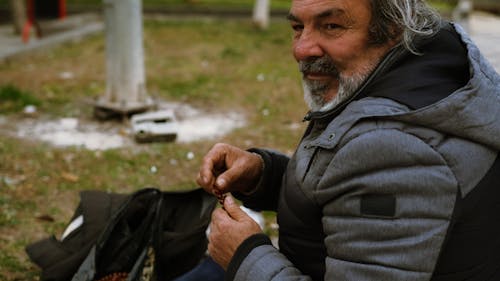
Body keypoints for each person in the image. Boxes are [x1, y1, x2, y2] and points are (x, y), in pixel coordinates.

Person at [196, 0, 500, 280]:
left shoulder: (391, 146)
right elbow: (355, 195)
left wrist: (244, 256)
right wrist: (265, 176)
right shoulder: (418, 75)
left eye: (332, 26)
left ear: (392, 29)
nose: (302, 49)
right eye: (298, 27)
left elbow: (382, 172)